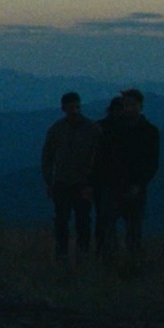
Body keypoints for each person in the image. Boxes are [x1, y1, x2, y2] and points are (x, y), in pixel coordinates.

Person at [93, 87, 160, 262]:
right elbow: (101, 157)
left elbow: (151, 163)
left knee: (134, 232)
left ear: (140, 106)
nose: (129, 108)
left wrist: (139, 184)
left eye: (133, 105)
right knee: (108, 230)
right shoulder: (110, 129)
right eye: (126, 105)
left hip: (135, 189)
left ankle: (133, 265)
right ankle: (108, 266)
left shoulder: (149, 132)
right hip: (112, 186)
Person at [40, 91, 101, 262]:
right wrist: (49, 181)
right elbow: (47, 157)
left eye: (76, 107)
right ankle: (62, 254)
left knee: (83, 220)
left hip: (84, 183)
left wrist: (92, 183)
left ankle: (83, 253)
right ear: (64, 108)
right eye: (71, 107)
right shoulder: (56, 130)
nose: (74, 110)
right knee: (61, 220)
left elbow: (99, 158)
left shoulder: (92, 129)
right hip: (62, 182)